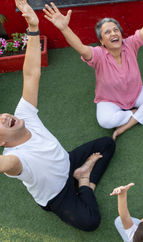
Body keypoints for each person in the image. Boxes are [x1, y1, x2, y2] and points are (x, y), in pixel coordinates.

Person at [0, 0, 115, 231]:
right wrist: (83, 186)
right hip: (56, 196)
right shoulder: (14, 159)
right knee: (91, 221)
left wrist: (33, 27)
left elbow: (32, 73)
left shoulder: (23, 114)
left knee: (107, 143)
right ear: (2, 142)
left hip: (67, 162)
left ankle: (81, 173)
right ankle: (84, 182)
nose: (3, 117)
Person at [43, 0, 143, 140]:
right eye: (107, 32)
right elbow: (80, 47)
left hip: (135, 92)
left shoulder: (130, 44)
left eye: (116, 30)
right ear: (102, 41)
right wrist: (64, 28)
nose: (113, 34)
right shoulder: (97, 54)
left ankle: (126, 125)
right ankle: (137, 112)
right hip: (110, 99)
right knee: (106, 121)